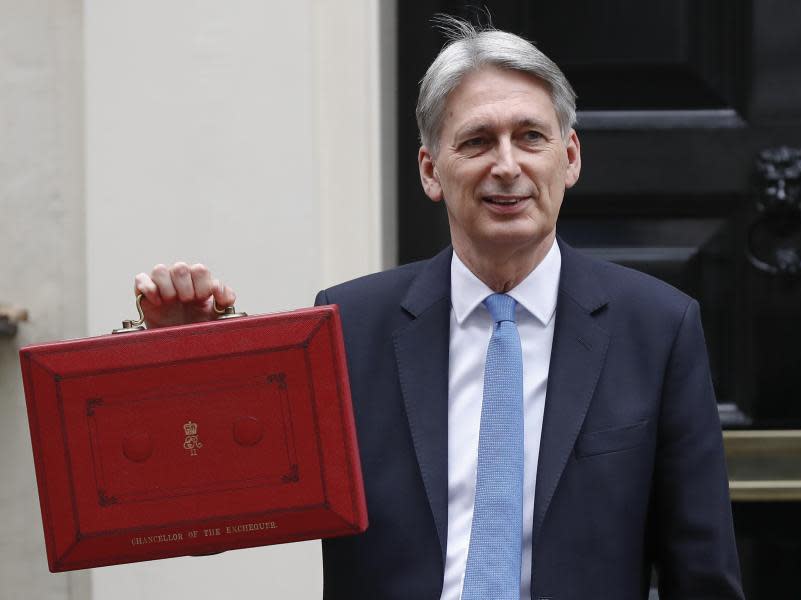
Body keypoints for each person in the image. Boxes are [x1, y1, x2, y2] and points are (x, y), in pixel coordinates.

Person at [135, 17, 744, 600]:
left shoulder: (658, 328)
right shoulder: (348, 327)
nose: (507, 166)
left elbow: (703, 575)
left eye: (530, 136)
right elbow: (217, 520)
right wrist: (188, 370)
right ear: (431, 170)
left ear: (570, 157)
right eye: (477, 141)